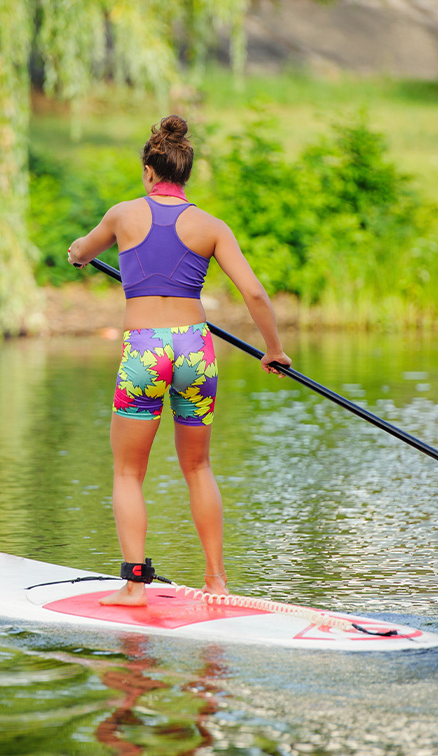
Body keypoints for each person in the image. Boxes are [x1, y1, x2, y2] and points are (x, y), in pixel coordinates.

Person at [67, 115, 291, 606]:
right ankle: (216, 581)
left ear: (149, 171)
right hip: (195, 348)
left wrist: (78, 255)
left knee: (128, 472)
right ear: (183, 174)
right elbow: (252, 291)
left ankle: (133, 586)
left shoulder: (122, 215)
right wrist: (274, 350)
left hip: (146, 349)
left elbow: (83, 250)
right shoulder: (211, 226)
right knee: (198, 467)